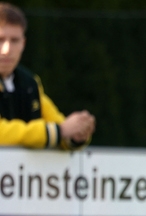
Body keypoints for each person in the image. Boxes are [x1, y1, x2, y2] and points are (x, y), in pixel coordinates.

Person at [0, 3, 94, 149]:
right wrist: (58, 131)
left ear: (23, 44)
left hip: (24, 172)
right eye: (0, 40)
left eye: (14, 40)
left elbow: (60, 125)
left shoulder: (30, 83)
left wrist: (77, 133)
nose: (7, 49)